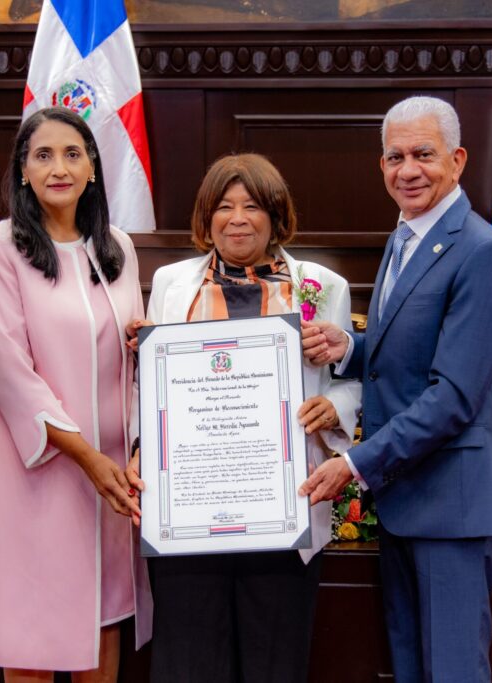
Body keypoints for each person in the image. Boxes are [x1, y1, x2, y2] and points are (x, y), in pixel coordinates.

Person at [299, 96, 492, 683]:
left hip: (451, 503)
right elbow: (413, 353)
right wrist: (351, 348)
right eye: (395, 156)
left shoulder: (482, 250)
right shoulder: (405, 237)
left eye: (424, 154)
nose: (408, 169)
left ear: (458, 159)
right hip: (405, 501)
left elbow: (453, 396)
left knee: (449, 671)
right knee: (411, 668)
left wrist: (354, 463)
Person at [128, 153, 361, 683]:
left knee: (274, 661)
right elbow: (153, 387)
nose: (237, 218)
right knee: (189, 661)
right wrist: (144, 362)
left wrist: (337, 408)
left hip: (284, 505)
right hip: (189, 508)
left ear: (276, 215)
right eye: (224, 206)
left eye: (252, 206)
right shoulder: (170, 283)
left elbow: (350, 379)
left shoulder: (320, 285)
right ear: (205, 217)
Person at [0, 107, 151, 682]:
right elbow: (8, 368)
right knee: (34, 626)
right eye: (42, 155)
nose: (59, 167)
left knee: (105, 613)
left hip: (113, 472)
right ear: (22, 170)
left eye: (73, 154)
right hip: (34, 470)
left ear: (94, 167)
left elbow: (141, 356)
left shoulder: (116, 247)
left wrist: (139, 447)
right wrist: (88, 458)